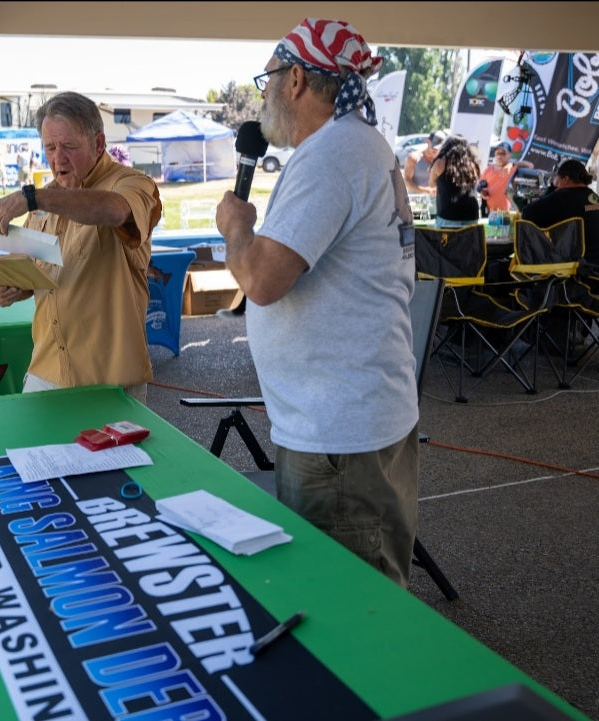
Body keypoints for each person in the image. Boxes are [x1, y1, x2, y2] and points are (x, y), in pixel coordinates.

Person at [215, 18, 420, 588]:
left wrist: (237, 227)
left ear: (298, 79)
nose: (266, 94)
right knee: (363, 593)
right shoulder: (357, 144)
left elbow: (260, 279)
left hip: (339, 437)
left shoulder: (331, 155)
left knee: (353, 603)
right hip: (353, 419)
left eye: (270, 79)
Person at [0, 91, 162, 402]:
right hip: (46, 368)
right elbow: (36, 271)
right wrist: (12, 287)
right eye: (50, 147)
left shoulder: (133, 184)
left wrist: (32, 197)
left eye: (69, 147)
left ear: (99, 144)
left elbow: (116, 210)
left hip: (107, 378)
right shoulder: (44, 200)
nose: (57, 158)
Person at [521, 158, 599, 281]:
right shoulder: (592, 196)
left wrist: (552, 189)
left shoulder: (563, 196)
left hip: (583, 274)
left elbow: (528, 214)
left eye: (556, 179)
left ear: (565, 179)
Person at [429, 134, 482, 228]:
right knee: (468, 242)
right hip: (471, 214)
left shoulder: (440, 163)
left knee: (446, 242)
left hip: (448, 214)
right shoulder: (473, 164)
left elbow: (431, 184)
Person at [479, 142, 533, 214]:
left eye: (503, 154)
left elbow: (530, 165)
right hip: (489, 212)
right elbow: (481, 187)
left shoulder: (510, 167)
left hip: (506, 214)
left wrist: (514, 165)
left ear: (510, 155)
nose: (500, 156)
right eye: (497, 153)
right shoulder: (488, 169)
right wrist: (483, 193)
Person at [403, 129, 446, 196]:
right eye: (434, 147)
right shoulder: (414, 157)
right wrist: (426, 191)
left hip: (433, 201)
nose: (436, 150)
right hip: (415, 199)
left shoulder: (441, 161)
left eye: (439, 148)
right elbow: (407, 181)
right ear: (427, 141)